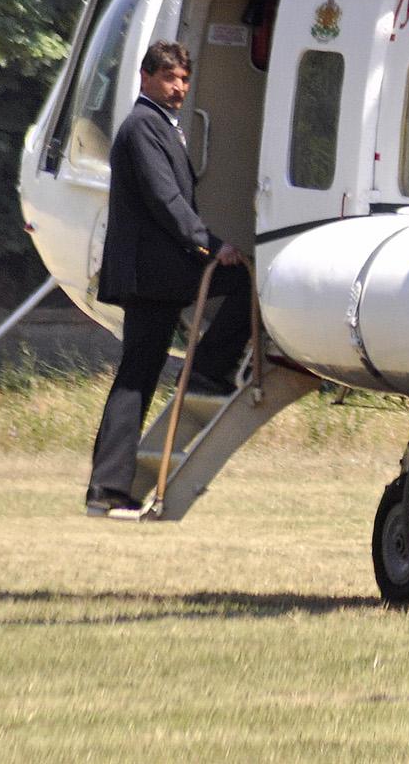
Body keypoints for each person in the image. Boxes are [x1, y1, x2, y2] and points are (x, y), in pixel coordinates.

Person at [86, 41, 253, 518]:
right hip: (153, 271)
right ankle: (204, 368)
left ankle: (107, 486)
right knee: (241, 283)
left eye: (183, 79)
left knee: (136, 375)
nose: (178, 88)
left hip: (157, 270)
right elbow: (166, 200)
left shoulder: (160, 126)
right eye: (169, 78)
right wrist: (210, 244)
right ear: (145, 77)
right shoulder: (142, 127)